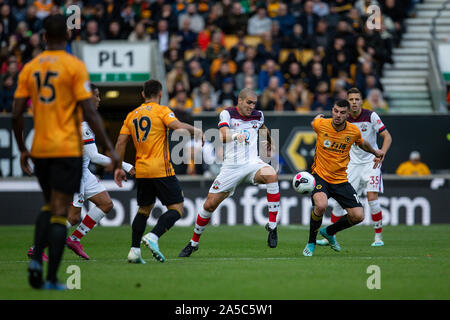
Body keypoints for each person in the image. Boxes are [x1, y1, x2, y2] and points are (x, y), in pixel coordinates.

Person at [12, 14, 119, 290]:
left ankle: (37, 257)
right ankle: (49, 277)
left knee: (51, 207)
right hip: (67, 148)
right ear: (68, 37)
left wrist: (22, 148)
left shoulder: (29, 68)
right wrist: (110, 148)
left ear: (44, 37)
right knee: (63, 215)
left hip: (40, 148)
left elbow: (16, 113)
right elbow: (89, 112)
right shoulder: (74, 66)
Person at [178, 88, 280, 257]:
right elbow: (223, 135)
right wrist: (236, 135)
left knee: (272, 175)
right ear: (239, 100)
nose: (252, 106)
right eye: (249, 102)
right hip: (231, 168)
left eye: (254, 103)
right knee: (209, 205)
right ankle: (193, 242)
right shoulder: (227, 114)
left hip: (252, 163)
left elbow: (263, 127)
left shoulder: (258, 115)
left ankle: (273, 226)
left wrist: (269, 141)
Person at [114, 79, 203, 264]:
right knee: (177, 208)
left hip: (141, 170)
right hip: (161, 168)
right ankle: (153, 236)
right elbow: (178, 127)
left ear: (143, 94)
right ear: (160, 94)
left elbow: (121, 143)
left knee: (144, 209)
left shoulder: (132, 115)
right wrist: (197, 131)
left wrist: (118, 166)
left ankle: (134, 250)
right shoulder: (162, 110)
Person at [302, 99, 385, 257]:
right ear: (332, 110)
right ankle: (311, 242)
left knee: (358, 215)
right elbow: (314, 122)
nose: (338, 115)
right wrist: (315, 119)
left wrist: (375, 152)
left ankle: (329, 231)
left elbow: (362, 143)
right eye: (335, 111)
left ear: (348, 114)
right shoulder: (321, 124)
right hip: (320, 176)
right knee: (321, 206)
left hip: (340, 179)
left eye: (342, 113)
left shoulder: (353, 131)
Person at [65, 84, 136, 260]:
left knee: (106, 204)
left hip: (83, 171)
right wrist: (125, 165)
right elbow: (95, 156)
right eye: (96, 96)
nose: (99, 99)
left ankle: (75, 239)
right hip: (74, 173)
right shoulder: (81, 125)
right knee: (73, 218)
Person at [316, 88, 392, 247]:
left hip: (371, 162)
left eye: (357, 99)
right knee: (338, 203)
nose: (354, 102)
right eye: (351, 100)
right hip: (351, 165)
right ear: (348, 102)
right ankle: (330, 235)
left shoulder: (370, 115)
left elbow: (387, 136)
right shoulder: (343, 118)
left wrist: (381, 153)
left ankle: (378, 237)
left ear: (361, 100)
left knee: (372, 198)